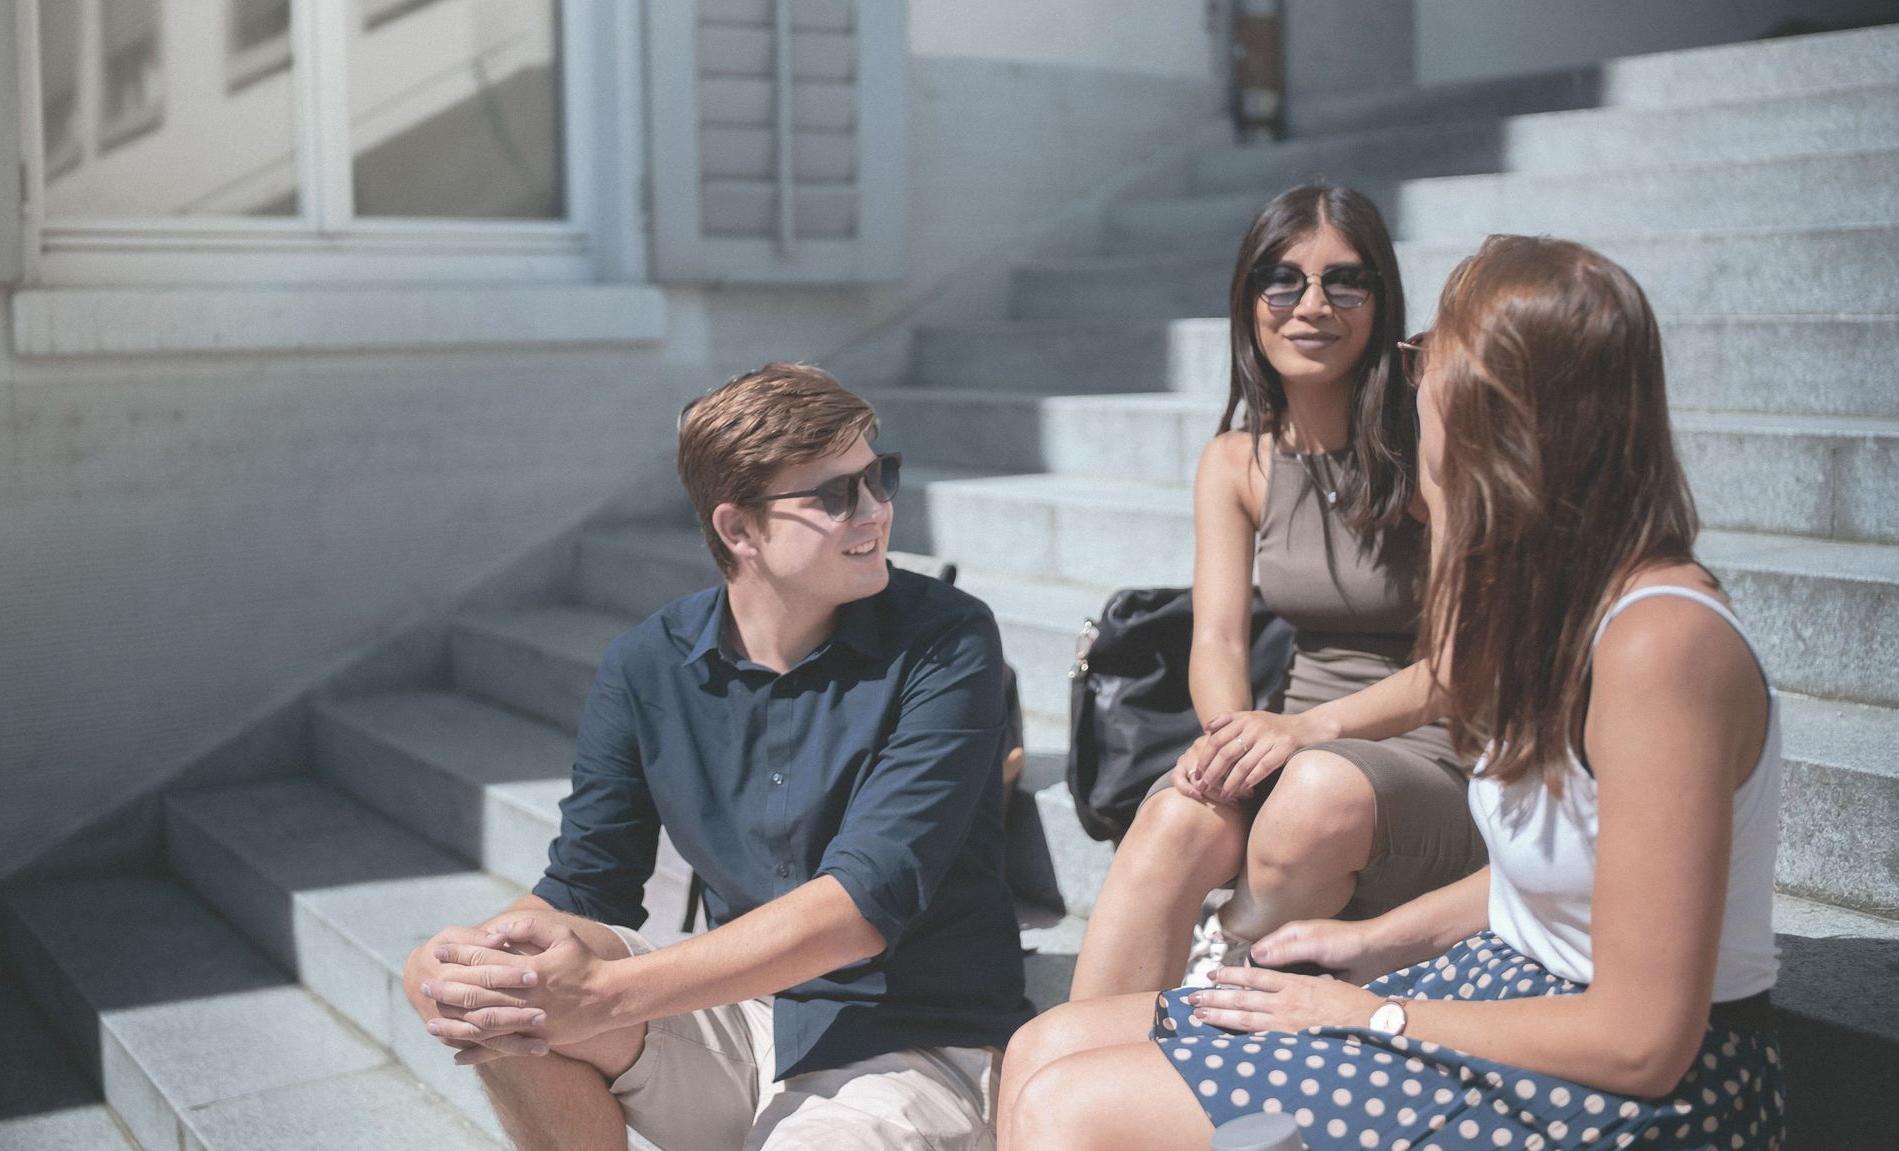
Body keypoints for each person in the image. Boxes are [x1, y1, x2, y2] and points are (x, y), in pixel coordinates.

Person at [997, 235, 1786, 1151]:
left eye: (1426, 357)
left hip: (1624, 1084)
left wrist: (1365, 1011)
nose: (1410, 385)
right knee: (1046, 1046)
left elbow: (1643, 1042)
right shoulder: (1553, 605)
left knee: (1071, 1108)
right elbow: (1563, 876)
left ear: (1497, 406)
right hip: (1515, 987)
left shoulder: (1660, 645)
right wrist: (1371, 945)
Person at [404, 363, 1031, 1151]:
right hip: (741, 1017)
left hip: (908, 1038)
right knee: (481, 990)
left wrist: (605, 992)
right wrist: (456, 968)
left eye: (880, 476)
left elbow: (862, 907)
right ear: (738, 531)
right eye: (835, 495)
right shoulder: (646, 664)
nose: (875, 511)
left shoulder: (947, 638)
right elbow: (584, 885)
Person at [1069, 185, 1486, 1000]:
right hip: (1290, 732)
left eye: (1345, 282)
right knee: (1175, 815)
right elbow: (1219, 641)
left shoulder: (1430, 446)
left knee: (1311, 797)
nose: (1313, 306)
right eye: (1283, 280)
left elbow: (1463, 664)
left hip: (1429, 751)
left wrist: (1307, 730)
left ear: (1380, 300)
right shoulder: (1237, 460)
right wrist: (1234, 740)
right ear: (1249, 299)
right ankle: (1075, 1068)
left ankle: (1231, 969)